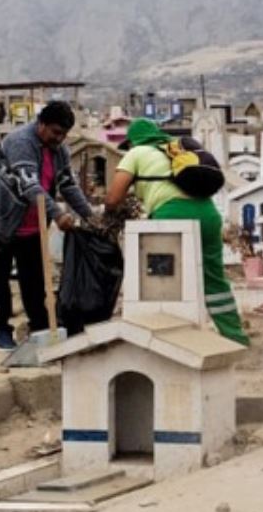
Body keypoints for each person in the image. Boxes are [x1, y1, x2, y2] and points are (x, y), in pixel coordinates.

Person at [105, 118, 248, 345]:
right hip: (209, 215)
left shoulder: (136, 153)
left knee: (162, 280)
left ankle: (168, 339)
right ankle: (235, 336)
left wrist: (111, 211)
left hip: (171, 216)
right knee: (214, 278)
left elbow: (113, 198)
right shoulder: (175, 149)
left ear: (133, 141)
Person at [0, 101, 95, 350]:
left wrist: (89, 215)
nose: (59, 138)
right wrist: (58, 214)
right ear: (41, 124)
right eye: (55, 132)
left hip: (32, 225)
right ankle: (1, 330)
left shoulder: (58, 150)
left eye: (63, 134)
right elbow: (29, 185)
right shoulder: (21, 142)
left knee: (34, 280)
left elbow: (68, 185)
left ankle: (39, 327)